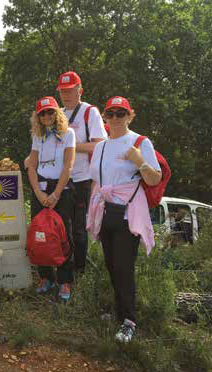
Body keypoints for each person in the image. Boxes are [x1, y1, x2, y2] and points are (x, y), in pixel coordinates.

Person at [87, 96, 162, 343]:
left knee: (123, 267)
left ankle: (129, 321)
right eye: (111, 114)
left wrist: (139, 161)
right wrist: (92, 212)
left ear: (130, 116)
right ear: (106, 118)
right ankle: (118, 312)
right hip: (107, 211)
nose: (116, 118)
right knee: (111, 264)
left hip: (128, 214)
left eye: (121, 113)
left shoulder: (140, 142)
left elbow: (153, 179)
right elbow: (97, 182)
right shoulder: (100, 147)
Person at [56, 71, 107, 274]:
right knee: (61, 228)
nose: (66, 95)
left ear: (80, 91)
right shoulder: (57, 113)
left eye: (70, 91)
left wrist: (71, 146)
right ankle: (63, 270)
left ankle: (79, 271)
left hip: (82, 179)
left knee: (78, 229)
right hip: (60, 180)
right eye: (63, 91)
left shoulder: (89, 112)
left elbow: (99, 146)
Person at [26, 96, 76, 301]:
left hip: (61, 190)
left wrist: (56, 194)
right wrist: (38, 192)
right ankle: (46, 277)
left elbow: (68, 165)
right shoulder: (38, 135)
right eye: (42, 113)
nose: (46, 116)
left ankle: (64, 280)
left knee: (64, 234)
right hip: (41, 187)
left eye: (50, 112)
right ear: (37, 117)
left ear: (57, 113)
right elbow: (31, 165)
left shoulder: (69, 133)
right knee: (40, 234)